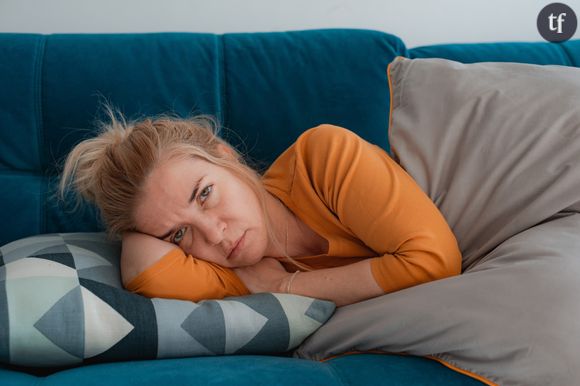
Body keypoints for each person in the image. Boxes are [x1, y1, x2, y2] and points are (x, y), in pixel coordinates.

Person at [60, 111, 461, 307]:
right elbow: (142, 265)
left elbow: (435, 262)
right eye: (178, 234)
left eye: (204, 194)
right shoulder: (231, 270)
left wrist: (281, 288)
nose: (215, 235)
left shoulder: (324, 158)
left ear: (226, 156)